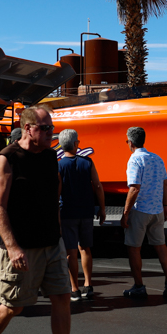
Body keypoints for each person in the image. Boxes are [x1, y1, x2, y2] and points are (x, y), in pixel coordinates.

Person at [0, 105, 92, 334]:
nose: (51, 133)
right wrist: (12, 247)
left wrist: (59, 233)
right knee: (13, 305)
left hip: (51, 243)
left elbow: (54, 195)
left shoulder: (51, 156)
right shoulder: (8, 159)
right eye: (45, 128)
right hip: (21, 247)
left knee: (62, 298)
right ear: (28, 129)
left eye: (52, 128)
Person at [121, 126, 167, 300]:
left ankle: (139, 286)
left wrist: (125, 212)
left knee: (134, 248)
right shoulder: (157, 158)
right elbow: (166, 184)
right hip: (157, 210)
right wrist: (165, 205)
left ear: (130, 142)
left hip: (140, 210)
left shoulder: (134, 160)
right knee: (161, 246)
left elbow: (134, 188)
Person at [58, 128, 106, 301]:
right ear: (76, 144)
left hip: (67, 212)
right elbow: (98, 186)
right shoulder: (88, 162)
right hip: (86, 212)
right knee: (85, 248)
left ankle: (74, 289)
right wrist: (102, 208)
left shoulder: (59, 165)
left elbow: (57, 191)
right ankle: (88, 284)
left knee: (70, 252)